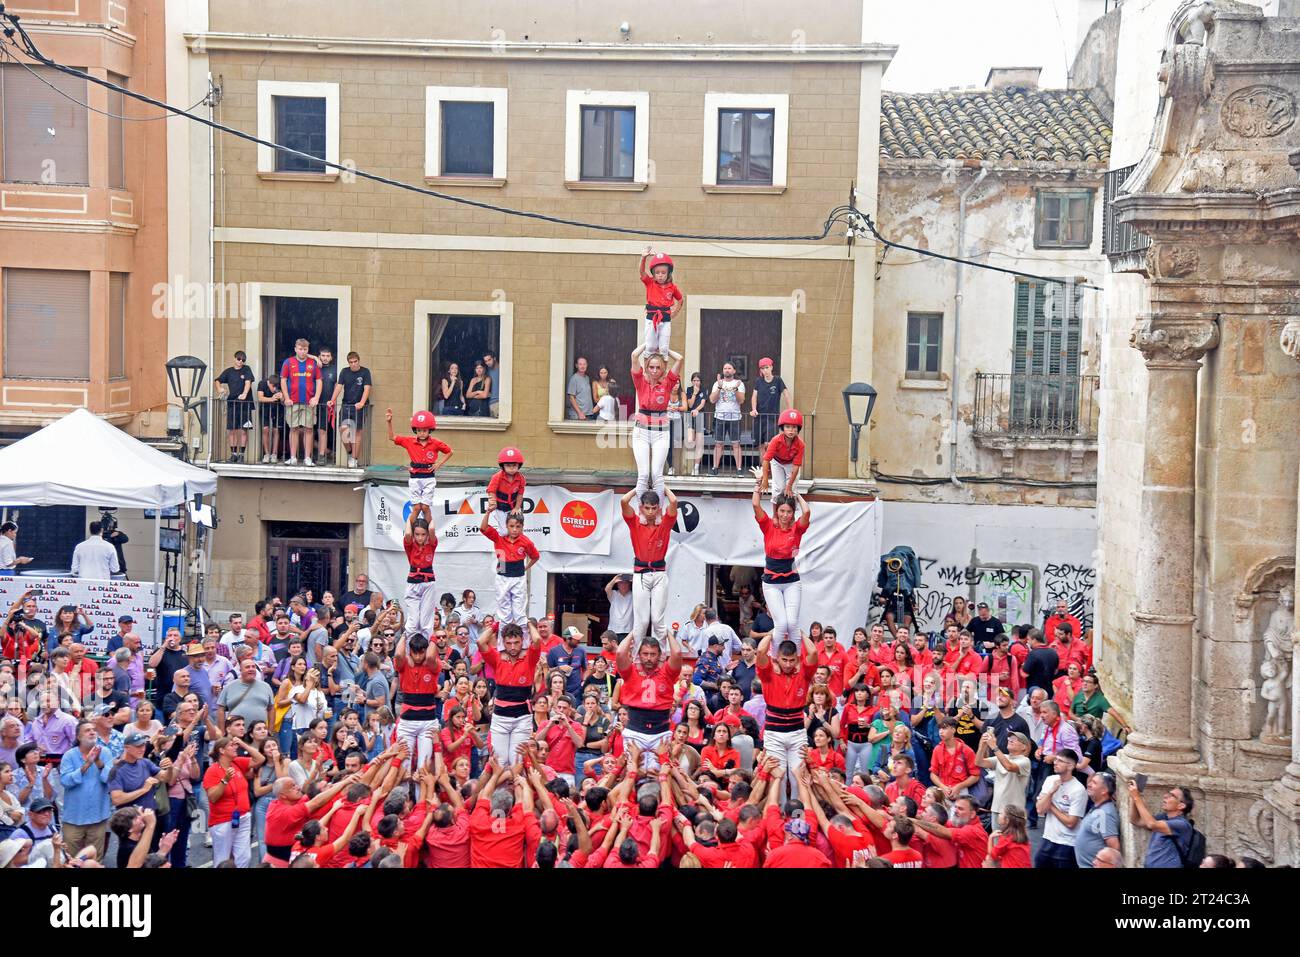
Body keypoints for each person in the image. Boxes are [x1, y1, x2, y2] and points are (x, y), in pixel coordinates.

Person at [756, 629, 818, 804]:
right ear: (777, 658)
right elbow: (760, 652)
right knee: (778, 776)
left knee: (798, 775)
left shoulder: (804, 673)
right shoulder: (768, 673)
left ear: (797, 659)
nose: (788, 664)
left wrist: (801, 634)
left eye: (792, 660)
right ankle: (781, 813)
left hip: (797, 732)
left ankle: (798, 814)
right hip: (774, 734)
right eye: (784, 660)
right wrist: (770, 634)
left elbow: (813, 652)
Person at [751, 481, 810, 648]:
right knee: (781, 624)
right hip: (771, 582)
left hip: (791, 580)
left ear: (792, 513)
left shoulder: (797, 529)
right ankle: (775, 657)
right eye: (782, 511)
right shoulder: (769, 526)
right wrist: (758, 484)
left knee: (792, 624)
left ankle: (796, 656)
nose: (785, 515)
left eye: (789, 512)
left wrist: (796, 493)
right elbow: (755, 504)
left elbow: (807, 511)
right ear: (777, 511)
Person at [614, 628, 682, 769]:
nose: (649, 658)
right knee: (631, 772)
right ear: (639, 655)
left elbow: (677, 653)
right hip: (635, 730)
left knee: (659, 773)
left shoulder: (667, 673)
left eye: (653, 654)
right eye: (645, 654)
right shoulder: (630, 672)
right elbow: (620, 653)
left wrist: (667, 632)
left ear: (660, 656)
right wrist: (634, 631)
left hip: (660, 732)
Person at [621, 487, 678, 650]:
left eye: (654, 508)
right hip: (640, 574)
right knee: (642, 621)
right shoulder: (635, 523)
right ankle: (636, 656)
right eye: (647, 507)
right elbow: (624, 501)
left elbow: (673, 501)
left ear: (659, 508)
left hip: (659, 574)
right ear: (641, 508)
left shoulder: (665, 524)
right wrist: (638, 489)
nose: (651, 511)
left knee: (658, 620)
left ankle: (660, 656)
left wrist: (662, 486)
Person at [629, 343, 684, 505]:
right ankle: (641, 510)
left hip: (661, 431)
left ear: (662, 369)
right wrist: (649, 343)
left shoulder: (667, 382)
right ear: (646, 368)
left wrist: (663, 349)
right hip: (641, 431)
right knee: (644, 475)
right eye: (651, 367)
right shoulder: (640, 381)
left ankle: (658, 511)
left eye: (657, 367)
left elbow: (680, 359)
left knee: (657, 474)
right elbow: (634, 355)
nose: (654, 370)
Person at [203, 734, 266, 868]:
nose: (235, 747)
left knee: (245, 856)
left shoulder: (236, 762)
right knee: (222, 858)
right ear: (221, 750)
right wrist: (224, 780)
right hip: (223, 821)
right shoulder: (212, 771)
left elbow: (260, 758)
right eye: (231, 745)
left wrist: (242, 743)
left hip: (242, 817)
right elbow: (213, 797)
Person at [387, 408, 453, 526]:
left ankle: (431, 530)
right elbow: (392, 437)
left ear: (429, 430)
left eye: (424, 430)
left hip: (428, 477)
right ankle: (408, 530)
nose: (421, 433)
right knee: (417, 508)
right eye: (419, 430)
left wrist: (439, 464)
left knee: (425, 507)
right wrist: (389, 422)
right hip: (415, 478)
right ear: (415, 431)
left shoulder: (436, 443)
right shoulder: (409, 441)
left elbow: (449, 452)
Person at [57, 719, 113, 860]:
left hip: (98, 816)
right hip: (74, 818)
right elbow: (65, 781)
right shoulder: (69, 755)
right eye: (87, 730)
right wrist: (86, 765)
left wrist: (99, 762)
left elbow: (109, 779)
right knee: (70, 859)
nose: (92, 732)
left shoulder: (105, 752)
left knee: (95, 859)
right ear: (78, 737)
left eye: (94, 729)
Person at [479, 508, 539, 628]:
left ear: (522, 527)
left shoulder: (526, 542)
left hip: (518, 576)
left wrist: (525, 568)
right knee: (503, 614)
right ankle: (502, 644)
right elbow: (484, 528)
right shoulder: (499, 537)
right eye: (511, 526)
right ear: (506, 526)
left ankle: (524, 643)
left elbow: (535, 556)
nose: (515, 529)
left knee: (520, 614)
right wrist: (488, 512)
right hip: (502, 574)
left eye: (518, 526)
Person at [1033, 748, 1087, 868]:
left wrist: (1050, 805)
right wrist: (1051, 792)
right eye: (1056, 759)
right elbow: (1040, 810)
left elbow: (1071, 822)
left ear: (1071, 766)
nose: (1055, 762)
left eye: (1060, 761)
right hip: (1047, 838)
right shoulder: (1050, 780)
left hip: (1067, 844)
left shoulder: (1078, 789)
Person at [1128, 779, 1196, 868]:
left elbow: (1151, 824)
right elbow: (1135, 820)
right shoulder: (1163, 818)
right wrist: (1134, 797)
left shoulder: (1182, 824)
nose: (1165, 796)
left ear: (1181, 806)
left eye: (1171, 796)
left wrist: (1137, 797)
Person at [279, 337, 322, 466]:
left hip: (309, 402)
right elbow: (283, 380)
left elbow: (319, 381)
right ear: (295, 349)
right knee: (293, 428)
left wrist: (316, 398)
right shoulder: (288, 362)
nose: (302, 351)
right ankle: (293, 457)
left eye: (305, 349)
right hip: (293, 401)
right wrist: (286, 397)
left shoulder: (313, 363)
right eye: (300, 349)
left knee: (309, 429)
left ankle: (307, 458)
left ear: (307, 350)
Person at [401, 509, 439, 639]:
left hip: (428, 583)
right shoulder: (410, 545)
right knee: (412, 623)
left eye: (423, 534)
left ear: (427, 534)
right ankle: (408, 650)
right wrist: (412, 516)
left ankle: (426, 649)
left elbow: (432, 528)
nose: (420, 537)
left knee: (425, 624)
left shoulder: (431, 545)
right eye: (417, 534)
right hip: (413, 583)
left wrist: (426, 509)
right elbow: (407, 533)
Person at [638, 248, 683, 356]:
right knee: (650, 347)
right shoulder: (650, 283)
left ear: (668, 273)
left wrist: (675, 312)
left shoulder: (672, 287)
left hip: (666, 318)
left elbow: (680, 299)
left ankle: (662, 371)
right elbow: (642, 272)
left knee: (664, 348)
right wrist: (643, 258)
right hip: (651, 317)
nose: (660, 275)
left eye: (663, 272)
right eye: (657, 272)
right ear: (653, 273)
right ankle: (648, 371)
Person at [216, 351, 256, 462]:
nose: (241, 361)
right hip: (232, 403)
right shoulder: (229, 371)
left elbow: (248, 382)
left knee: (244, 430)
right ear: (235, 358)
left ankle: (241, 455)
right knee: (232, 429)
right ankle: (233, 454)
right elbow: (218, 380)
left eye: (243, 360)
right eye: (239, 359)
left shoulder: (246, 369)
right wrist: (219, 388)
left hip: (245, 404)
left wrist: (244, 393)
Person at [1075, 771, 1121, 868]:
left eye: (1094, 783)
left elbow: (1114, 847)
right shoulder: (1098, 807)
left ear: (1104, 790)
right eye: (1091, 781)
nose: (1089, 784)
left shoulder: (1105, 813)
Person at [334, 351, 373, 468]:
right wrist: (332, 400)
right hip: (346, 404)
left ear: (358, 361)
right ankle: (350, 451)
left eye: (355, 361)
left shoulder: (365, 372)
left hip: (360, 406)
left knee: (357, 432)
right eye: (351, 362)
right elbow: (339, 387)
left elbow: (367, 389)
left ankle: (354, 459)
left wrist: (361, 402)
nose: (353, 364)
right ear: (348, 363)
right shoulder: (344, 372)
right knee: (342, 428)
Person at [709, 362, 745, 476]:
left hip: (735, 418)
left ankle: (739, 469)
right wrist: (719, 387)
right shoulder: (717, 383)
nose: (727, 370)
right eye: (725, 368)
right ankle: (715, 467)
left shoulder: (739, 383)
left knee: (736, 444)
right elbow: (712, 400)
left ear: (734, 371)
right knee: (718, 443)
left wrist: (735, 389)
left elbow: (741, 400)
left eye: (729, 368)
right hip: (720, 417)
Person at [486, 446, 527, 540]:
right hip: (500, 507)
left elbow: (520, 494)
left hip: (513, 507)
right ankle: (503, 547)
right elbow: (491, 491)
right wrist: (493, 503)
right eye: (508, 465)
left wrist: (517, 508)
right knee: (505, 532)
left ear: (519, 466)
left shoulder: (521, 478)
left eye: (514, 465)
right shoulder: (497, 477)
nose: (512, 468)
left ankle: (519, 550)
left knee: (517, 530)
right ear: (503, 466)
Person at [750, 357, 790, 447]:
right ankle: (762, 462)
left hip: (772, 417)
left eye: (767, 367)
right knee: (760, 445)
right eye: (763, 368)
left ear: (771, 367)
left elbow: (786, 394)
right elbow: (754, 396)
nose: (765, 370)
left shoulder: (777, 380)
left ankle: (769, 462)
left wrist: (789, 410)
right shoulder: (758, 381)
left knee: (769, 444)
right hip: (759, 417)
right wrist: (754, 409)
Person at [546, 627, 588, 702]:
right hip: (559, 691)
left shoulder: (581, 651)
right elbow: (547, 671)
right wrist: (559, 668)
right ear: (568, 639)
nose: (579, 641)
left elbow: (585, 668)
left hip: (577, 691)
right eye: (576, 639)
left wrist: (584, 681)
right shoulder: (554, 651)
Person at [315, 347, 339, 462]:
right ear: (319, 356)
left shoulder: (335, 370)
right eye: (323, 356)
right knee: (313, 430)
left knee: (326, 430)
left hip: (328, 405)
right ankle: (316, 455)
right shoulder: (315, 368)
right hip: (313, 404)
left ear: (331, 357)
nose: (325, 358)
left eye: (327, 356)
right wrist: (314, 358)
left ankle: (324, 454)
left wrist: (333, 402)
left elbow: (336, 387)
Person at [256, 372, 285, 463]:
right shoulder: (262, 383)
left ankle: (274, 454)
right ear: (269, 383)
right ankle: (266, 454)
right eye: (273, 387)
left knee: (276, 430)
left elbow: (284, 401)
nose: (275, 389)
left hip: (277, 408)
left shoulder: (280, 384)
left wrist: (282, 397)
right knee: (265, 429)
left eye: (276, 387)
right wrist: (271, 399)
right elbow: (260, 398)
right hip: (265, 408)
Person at [1021, 628, 1058, 695]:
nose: (1027, 642)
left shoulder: (1033, 654)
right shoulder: (1054, 652)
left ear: (1034, 640)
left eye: (1028, 639)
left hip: (1035, 692)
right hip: (1049, 692)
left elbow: (1024, 674)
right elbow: (1056, 672)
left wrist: (1021, 667)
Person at [604, 575, 633, 639]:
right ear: (617, 585)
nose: (624, 585)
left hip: (629, 630)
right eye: (621, 583)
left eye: (626, 583)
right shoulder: (614, 594)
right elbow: (607, 589)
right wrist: (614, 580)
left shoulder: (633, 595)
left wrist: (634, 580)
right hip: (613, 630)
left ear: (629, 584)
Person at [482, 350, 501, 418]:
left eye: (489, 360)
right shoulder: (487, 371)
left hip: (498, 403)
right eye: (486, 361)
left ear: (494, 358)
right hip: (489, 403)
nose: (487, 363)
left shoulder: (502, 370)